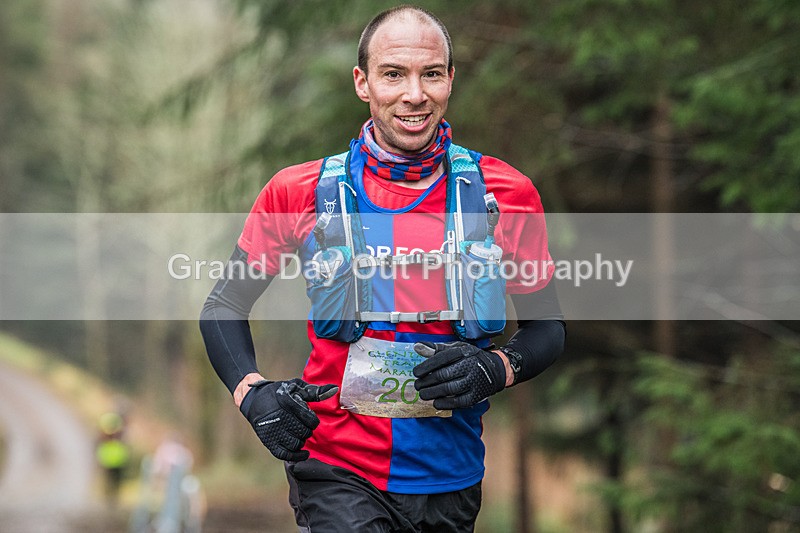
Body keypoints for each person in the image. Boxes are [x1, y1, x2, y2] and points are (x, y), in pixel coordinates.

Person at [200, 5, 565, 532]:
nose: (414, 95)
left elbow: (548, 329)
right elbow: (224, 306)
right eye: (394, 74)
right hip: (336, 470)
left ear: (450, 80)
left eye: (430, 74)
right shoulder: (299, 191)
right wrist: (253, 393)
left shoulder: (504, 193)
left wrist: (496, 368)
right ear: (362, 83)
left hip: (452, 477)